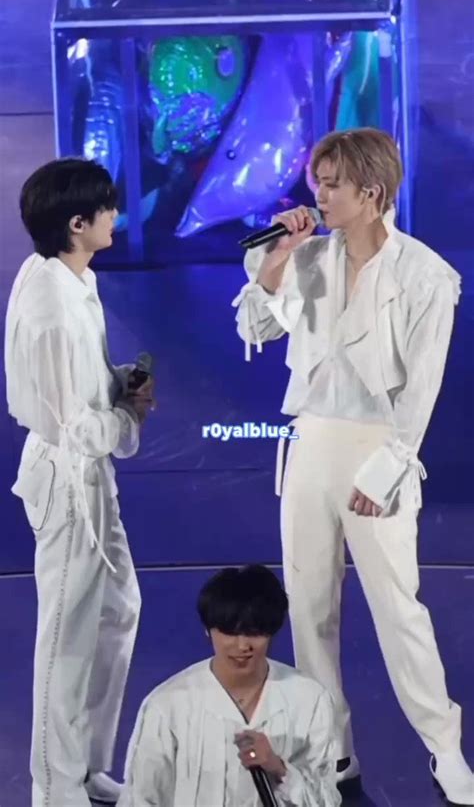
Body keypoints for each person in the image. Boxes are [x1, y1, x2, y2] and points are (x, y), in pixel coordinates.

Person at [233, 128, 474, 806]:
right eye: (318, 182)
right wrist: (278, 259)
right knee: (310, 606)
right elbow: (255, 328)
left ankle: (444, 746)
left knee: (398, 609)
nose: (319, 195)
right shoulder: (310, 258)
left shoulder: (425, 274)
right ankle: (332, 751)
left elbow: (421, 387)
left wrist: (389, 467)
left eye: (332, 184)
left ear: (371, 192)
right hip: (311, 443)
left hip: (379, 447)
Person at [4, 158, 155, 807]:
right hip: (67, 483)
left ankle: (87, 767)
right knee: (66, 641)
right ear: (76, 223)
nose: (115, 216)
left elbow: (73, 390)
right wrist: (128, 415)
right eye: (106, 207)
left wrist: (116, 384)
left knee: (119, 610)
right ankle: (55, 789)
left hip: (88, 478)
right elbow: (73, 427)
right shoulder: (52, 307)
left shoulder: (69, 277)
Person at [118, 564, 341, 806]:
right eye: (230, 633)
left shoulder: (310, 699)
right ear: (208, 630)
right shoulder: (167, 705)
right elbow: (139, 799)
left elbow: (327, 800)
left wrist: (278, 768)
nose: (242, 646)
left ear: (272, 631)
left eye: (255, 633)